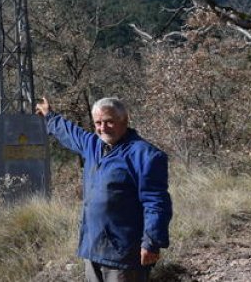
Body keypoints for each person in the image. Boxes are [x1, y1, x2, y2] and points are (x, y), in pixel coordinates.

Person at [35, 96, 173, 282]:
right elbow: (71, 133)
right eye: (98, 123)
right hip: (93, 248)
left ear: (124, 121)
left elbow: (156, 203)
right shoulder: (93, 145)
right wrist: (49, 116)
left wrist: (151, 242)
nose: (103, 128)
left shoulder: (145, 155)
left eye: (109, 122)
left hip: (124, 255)